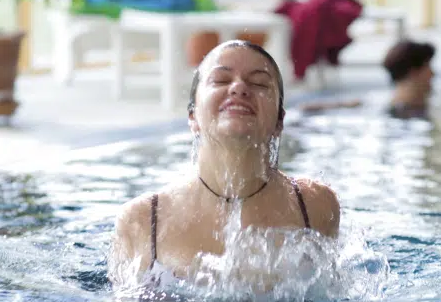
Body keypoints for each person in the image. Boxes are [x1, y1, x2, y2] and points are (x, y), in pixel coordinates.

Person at [109, 40, 341, 286]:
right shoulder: (143, 220)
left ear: (279, 122)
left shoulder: (315, 206)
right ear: (193, 116)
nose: (239, 88)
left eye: (259, 83)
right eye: (220, 80)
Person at [299, 39, 436, 119]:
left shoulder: (375, 102)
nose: (433, 74)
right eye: (428, 67)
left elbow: (309, 108)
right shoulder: (401, 112)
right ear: (414, 72)